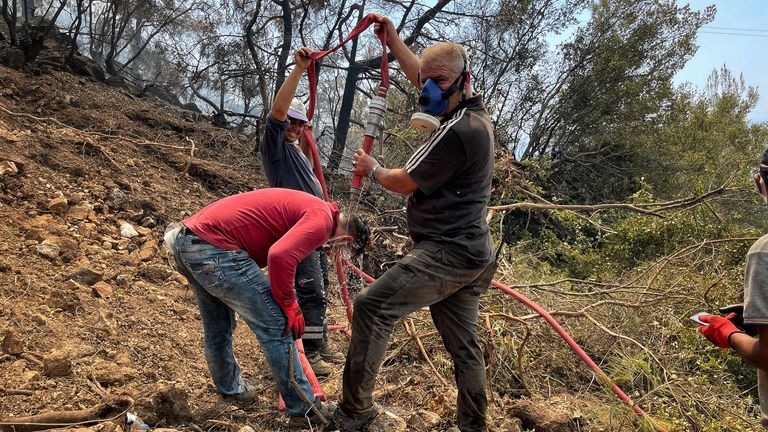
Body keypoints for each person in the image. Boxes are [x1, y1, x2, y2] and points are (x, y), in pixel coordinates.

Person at [330, 17, 497, 432]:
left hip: (448, 251)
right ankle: (474, 426)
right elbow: (422, 75)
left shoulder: (458, 132)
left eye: (439, 81)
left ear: (464, 80)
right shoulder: (472, 114)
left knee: (372, 305)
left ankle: (353, 414)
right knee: (464, 348)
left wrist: (372, 169)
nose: (428, 91)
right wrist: (393, 40)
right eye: (427, 81)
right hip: (474, 252)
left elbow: (402, 182)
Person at [168, 188, 369, 429]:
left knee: (218, 325)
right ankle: (305, 410)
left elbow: (285, 254)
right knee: (278, 325)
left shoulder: (315, 208)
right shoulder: (322, 221)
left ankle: (231, 389)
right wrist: (289, 304)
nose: (332, 254)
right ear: (346, 240)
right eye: (341, 252)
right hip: (215, 248)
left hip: (188, 241)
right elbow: (279, 256)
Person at [258, 47, 342, 376]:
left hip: (316, 229)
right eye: (290, 123)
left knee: (320, 291)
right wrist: (299, 70)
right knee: (308, 289)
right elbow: (278, 111)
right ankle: (305, 353)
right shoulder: (275, 150)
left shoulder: (297, 154)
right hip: (297, 228)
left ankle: (318, 345)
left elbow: (307, 149)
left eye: (300, 124)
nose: (293, 127)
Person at [698, 148, 768, 429]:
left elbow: (766, 356)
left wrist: (727, 333)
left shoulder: (763, 253)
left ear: (758, 181)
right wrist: (755, 313)